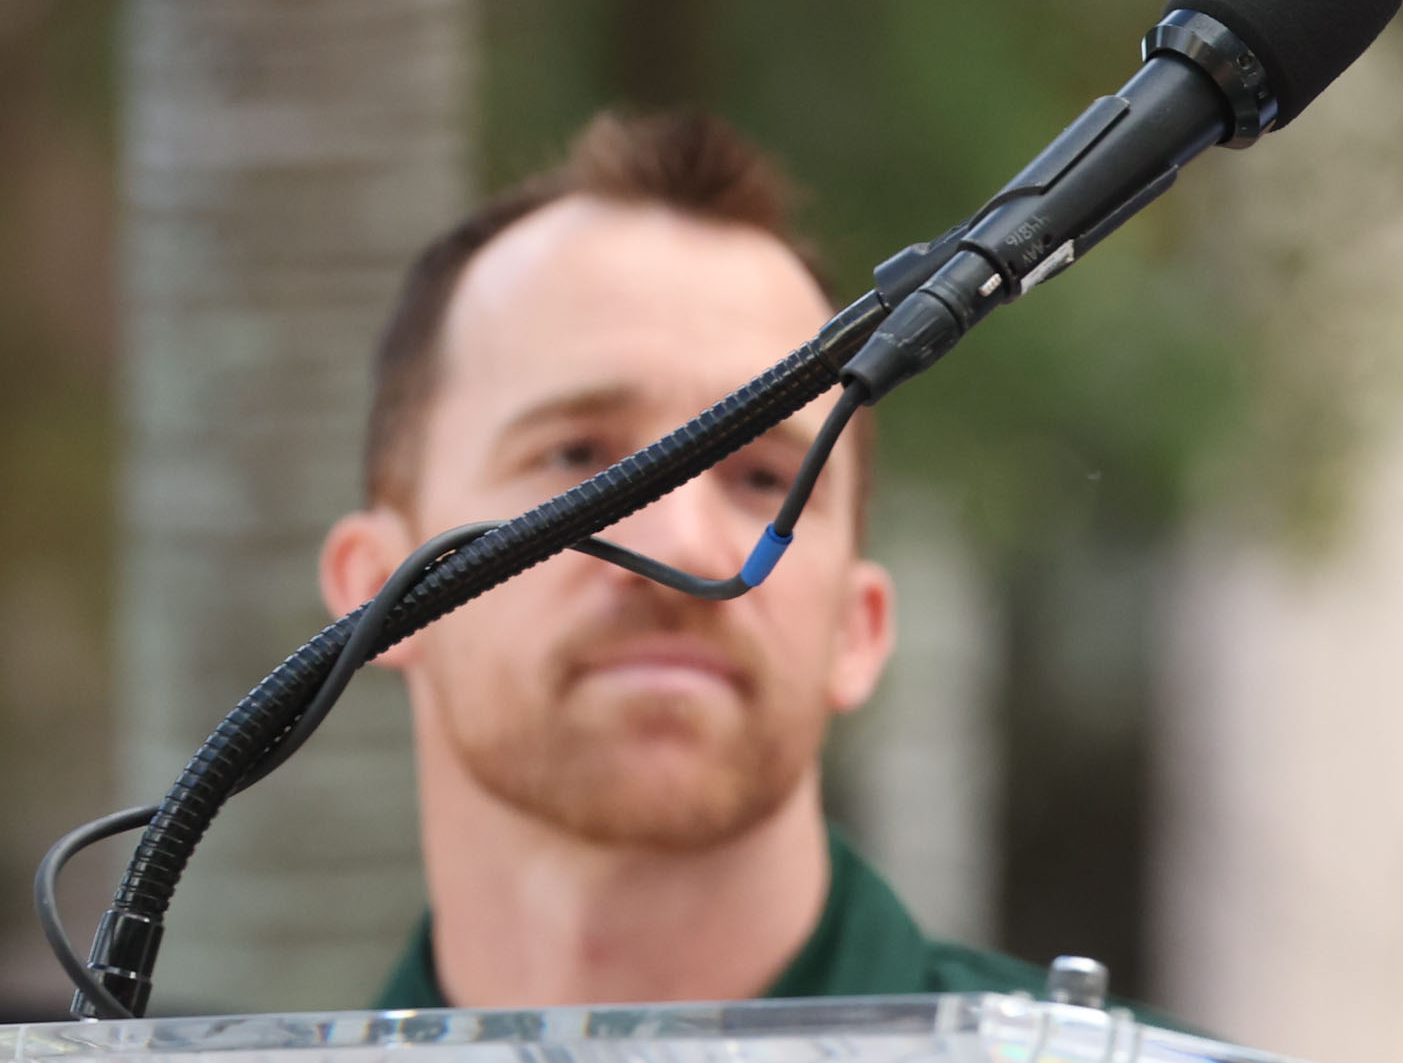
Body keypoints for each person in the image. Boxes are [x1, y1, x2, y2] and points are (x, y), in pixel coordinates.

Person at [320, 110, 1041, 1009]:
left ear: (858, 630)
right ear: (379, 589)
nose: (682, 543)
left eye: (766, 478)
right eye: (578, 456)